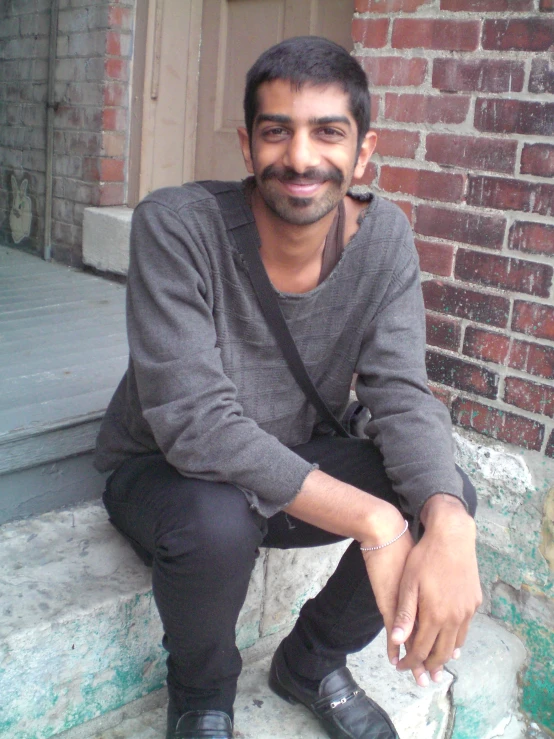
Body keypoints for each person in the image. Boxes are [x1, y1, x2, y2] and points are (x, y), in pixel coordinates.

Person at [95, 36, 482, 739]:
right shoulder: (176, 225)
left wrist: (450, 518)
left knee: (440, 486)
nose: (300, 158)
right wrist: (374, 521)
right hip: (167, 472)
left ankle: (312, 659)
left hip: (293, 454)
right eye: (278, 131)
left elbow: (398, 390)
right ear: (247, 145)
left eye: (328, 132)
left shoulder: (385, 237)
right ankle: (203, 695)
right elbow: (195, 425)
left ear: (364, 152)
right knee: (218, 521)